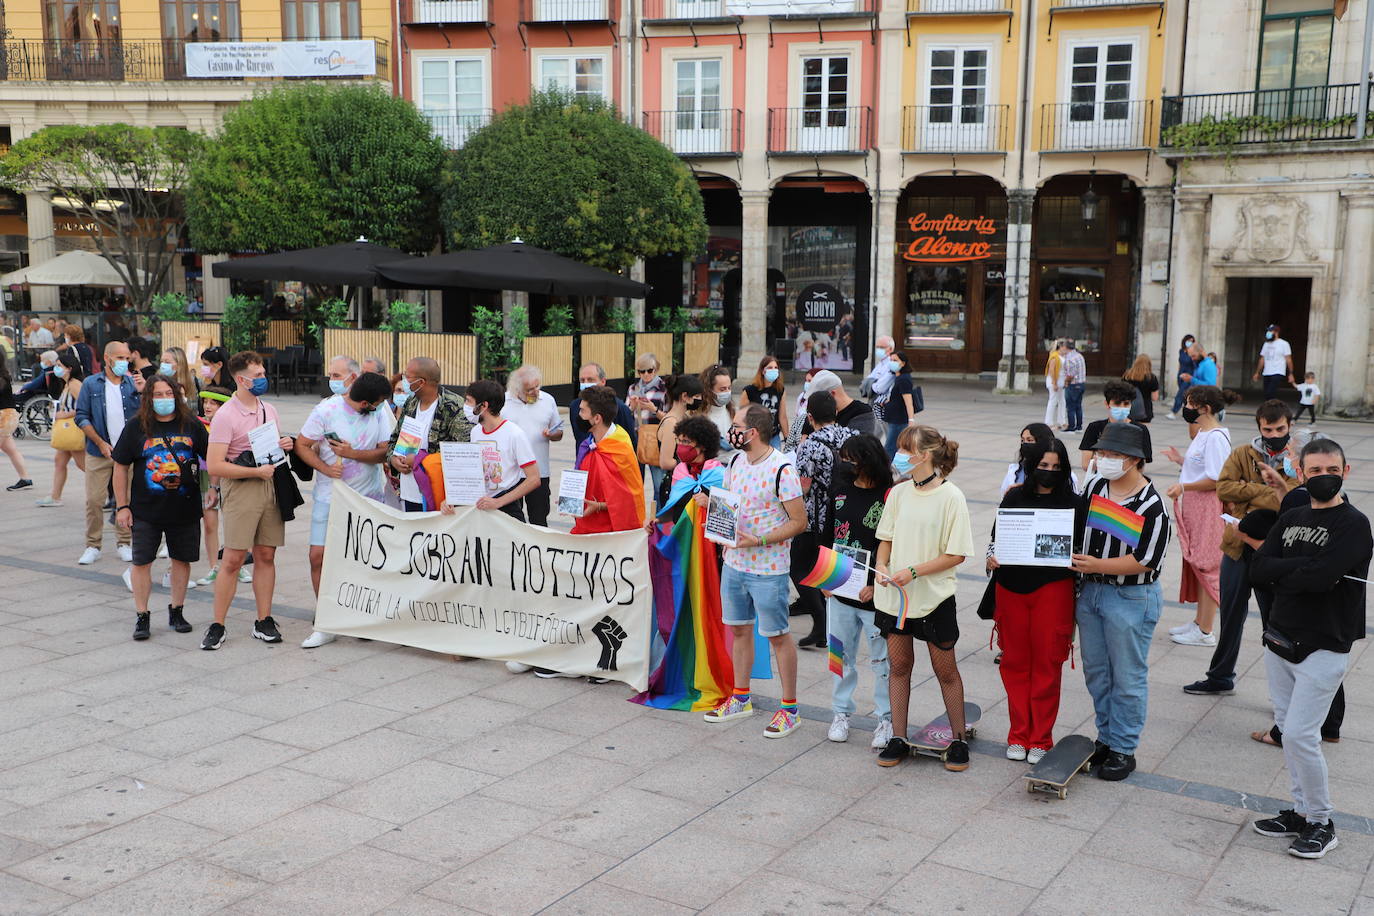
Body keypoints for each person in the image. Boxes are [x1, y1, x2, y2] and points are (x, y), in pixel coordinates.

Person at [1250, 437, 1370, 860]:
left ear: (1345, 472)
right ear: (1300, 474)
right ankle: (1300, 812)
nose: (1323, 477)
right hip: (1280, 637)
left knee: (1303, 735)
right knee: (1287, 730)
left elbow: (1320, 579)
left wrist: (1291, 571)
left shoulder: (1354, 524)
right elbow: (1259, 569)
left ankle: (1322, 821)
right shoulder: (1293, 515)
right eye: (1315, 471)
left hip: (1324, 645)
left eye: (1331, 471)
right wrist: (1303, 570)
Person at [1071, 422, 1171, 781]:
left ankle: (1124, 749)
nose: (1102, 459)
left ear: (1133, 460)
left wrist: (1098, 564)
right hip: (1091, 592)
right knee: (1098, 672)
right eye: (1101, 452)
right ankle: (1106, 738)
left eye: (1110, 454)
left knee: (1127, 676)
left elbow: (1146, 559)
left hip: (1131, 596)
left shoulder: (1152, 505)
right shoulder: (1096, 485)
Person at [702, 404, 807, 738]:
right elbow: (731, 505)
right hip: (734, 564)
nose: (730, 431)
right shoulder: (735, 461)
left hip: (769, 569)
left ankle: (790, 708)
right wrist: (716, 518)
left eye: (736, 425)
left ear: (753, 432)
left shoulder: (782, 470)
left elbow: (799, 522)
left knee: (777, 636)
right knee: (740, 631)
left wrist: (758, 539)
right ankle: (740, 697)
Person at [1183, 399, 1301, 696]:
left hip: (1273, 551)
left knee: (1274, 622)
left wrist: (1249, 495)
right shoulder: (1242, 453)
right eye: (1268, 429)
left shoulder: (1298, 460)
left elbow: (1292, 501)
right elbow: (1223, 487)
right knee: (1231, 614)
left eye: (1280, 428)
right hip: (1236, 546)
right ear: (1259, 428)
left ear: (1289, 427)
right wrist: (1268, 491)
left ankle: (1284, 689)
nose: (1274, 434)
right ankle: (1220, 676)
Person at [873, 425, 974, 769]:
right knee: (898, 667)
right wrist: (883, 564)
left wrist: (913, 571)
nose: (899, 454)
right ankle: (898, 736)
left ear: (926, 455)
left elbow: (956, 554)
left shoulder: (951, 497)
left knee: (945, 670)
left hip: (933, 597)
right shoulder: (899, 493)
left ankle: (959, 738)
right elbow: (885, 537)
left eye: (906, 448)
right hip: (896, 597)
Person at [989, 437, 1083, 763]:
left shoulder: (1075, 502)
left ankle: (1040, 738)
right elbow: (994, 539)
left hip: (1053, 590)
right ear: (1032, 465)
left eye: (1056, 467)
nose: (1049, 472)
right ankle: (1018, 735)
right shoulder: (1013, 496)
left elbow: (1084, 548)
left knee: (1047, 663)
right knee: (1015, 663)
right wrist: (991, 557)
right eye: (1044, 465)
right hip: (1011, 589)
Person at [202, 351, 296, 651]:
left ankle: (263, 619)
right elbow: (215, 465)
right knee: (232, 558)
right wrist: (253, 471)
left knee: (266, 554)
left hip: (270, 484)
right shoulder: (226, 415)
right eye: (257, 375)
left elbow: (273, 445)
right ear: (240, 379)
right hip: (242, 488)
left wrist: (286, 444)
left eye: (262, 373)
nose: (263, 379)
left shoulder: (268, 409)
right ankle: (218, 623)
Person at [296, 369, 395, 648]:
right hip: (330, 497)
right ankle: (326, 620)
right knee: (319, 556)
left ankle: (363, 616)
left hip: (369, 498)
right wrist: (325, 468)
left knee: (366, 560)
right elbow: (302, 445)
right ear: (365, 402)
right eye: (376, 404)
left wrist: (351, 454)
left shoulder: (380, 412)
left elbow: (386, 450)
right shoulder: (325, 410)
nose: (378, 408)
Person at [112, 376, 208, 641]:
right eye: (158, 394)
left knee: (181, 560)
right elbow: (120, 466)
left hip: (185, 509)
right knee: (142, 562)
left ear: (176, 396)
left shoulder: (192, 426)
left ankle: (177, 611)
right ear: (148, 398)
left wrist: (213, 489)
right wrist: (122, 506)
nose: (164, 399)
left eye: (168, 394)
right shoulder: (136, 427)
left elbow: (211, 457)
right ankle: (142, 615)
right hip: (145, 511)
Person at [822, 433, 893, 749]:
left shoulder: (890, 497)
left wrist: (876, 588)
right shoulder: (839, 493)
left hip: (875, 598)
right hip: (839, 593)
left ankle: (886, 718)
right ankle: (840, 713)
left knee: (883, 662)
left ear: (868, 460)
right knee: (840, 657)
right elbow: (826, 539)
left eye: (851, 459)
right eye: (844, 458)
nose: (845, 464)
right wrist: (824, 579)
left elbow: (893, 548)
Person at [1161, 386, 1238, 648]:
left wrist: (1184, 487)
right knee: (1198, 561)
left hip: (1206, 505)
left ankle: (1205, 630)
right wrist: (1180, 461)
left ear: (1205, 409)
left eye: (1190, 403)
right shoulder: (1204, 433)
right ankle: (1198, 622)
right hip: (1196, 504)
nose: (1187, 407)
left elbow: (1216, 479)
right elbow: (1202, 468)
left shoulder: (1215, 436)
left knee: (1206, 563)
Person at [794, 390, 856, 648]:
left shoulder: (809, 445)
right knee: (833, 572)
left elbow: (804, 486)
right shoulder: (852, 437)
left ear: (810, 417)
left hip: (816, 517)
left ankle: (821, 620)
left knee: (798, 567)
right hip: (844, 515)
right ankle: (833, 628)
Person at [74, 340, 143, 563]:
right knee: (94, 500)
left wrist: (143, 391)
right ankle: (93, 545)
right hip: (98, 451)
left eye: (127, 359)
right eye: (120, 358)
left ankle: (124, 542)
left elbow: (145, 415)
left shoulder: (132, 384)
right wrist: (100, 443)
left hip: (127, 453)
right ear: (107, 358)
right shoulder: (91, 384)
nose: (124, 362)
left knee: (127, 499)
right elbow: (81, 416)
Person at [442, 379, 540, 521]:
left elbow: (534, 479)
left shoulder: (514, 434)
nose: (465, 406)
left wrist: (498, 502)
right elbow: (472, 472)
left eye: (469, 401)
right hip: (479, 506)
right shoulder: (475, 432)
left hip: (506, 508)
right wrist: (453, 499)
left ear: (484, 406)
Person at [386, 357, 472, 512]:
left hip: (439, 497)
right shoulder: (410, 403)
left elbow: (462, 454)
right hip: (409, 492)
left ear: (421, 382)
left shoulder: (453, 407)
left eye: (408, 377)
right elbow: (395, 438)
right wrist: (393, 459)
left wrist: (419, 460)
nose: (404, 381)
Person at [569, 385, 645, 535]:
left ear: (597, 418)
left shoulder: (620, 449)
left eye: (582, 411)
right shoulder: (588, 444)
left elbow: (630, 500)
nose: (578, 415)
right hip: (585, 526)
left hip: (611, 532)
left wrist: (599, 506)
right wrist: (569, 500)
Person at [504, 365, 563, 527]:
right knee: (512, 521)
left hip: (540, 472)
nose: (536, 391)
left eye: (537, 386)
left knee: (539, 519)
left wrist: (553, 434)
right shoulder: (504, 402)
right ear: (517, 390)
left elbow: (560, 432)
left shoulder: (548, 400)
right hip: (512, 474)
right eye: (529, 389)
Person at [36, 350, 87, 506]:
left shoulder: (74, 384)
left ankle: (108, 493)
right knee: (59, 462)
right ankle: (55, 496)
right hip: (68, 431)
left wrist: (63, 415)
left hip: (73, 430)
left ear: (69, 368)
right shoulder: (68, 384)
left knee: (84, 465)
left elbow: (84, 407)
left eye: (59, 366)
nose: (56, 368)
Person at [651, 415, 722, 527]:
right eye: (678, 440)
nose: (680, 446)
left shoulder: (719, 475)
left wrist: (710, 504)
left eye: (685, 441)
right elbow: (674, 508)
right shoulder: (680, 471)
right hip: (683, 537)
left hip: (707, 541)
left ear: (703, 445)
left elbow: (729, 516)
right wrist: (657, 522)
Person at [194, 387, 232, 587]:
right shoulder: (198, 424)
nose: (207, 406)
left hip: (230, 475)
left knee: (233, 522)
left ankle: (235, 563)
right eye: (205, 402)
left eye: (213, 403)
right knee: (210, 523)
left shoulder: (232, 423)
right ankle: (214, 566)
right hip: (205, 476)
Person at [1079, 380, 1153, 471]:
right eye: (1117, 403)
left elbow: (1140, 467)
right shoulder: (1095, 428)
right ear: (1107, 404)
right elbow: (1086, 465)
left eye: (1126, 404)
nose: (1122, 407)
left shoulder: (1140, 430)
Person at [653, 374, 704, 504]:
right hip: (675, 485)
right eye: (697, 396)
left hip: (686, 481)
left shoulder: (684, 418)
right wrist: (690, 464)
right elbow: (665, 462)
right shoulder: (671, 423)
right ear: (685, 396)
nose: (700, 399)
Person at [628, 353, 669, 493]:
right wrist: (632, 407)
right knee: (635, 485)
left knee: (659, 486)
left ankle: (659, 514)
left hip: (657, 439)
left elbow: (671, 419)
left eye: (649, 370)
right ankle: (638, 515)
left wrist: (654, 409)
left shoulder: (664, 389)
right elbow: (627, 415)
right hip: (637, 438)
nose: (645, 374)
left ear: (656, 369)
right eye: (641, 371)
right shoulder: (633, 388)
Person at [569, 363, 636, 447]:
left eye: (590, 380)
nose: (585, 383)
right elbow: (579, 438)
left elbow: (630, 442)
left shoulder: (619, 408)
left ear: (603, 381)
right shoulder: (575, 407)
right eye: (582, 380)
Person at [808, 369, 879, 438]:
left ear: (832, 394)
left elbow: (859, 446)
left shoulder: (863, 413)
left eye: (818, 399)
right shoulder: (823, 412)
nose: (817, 403)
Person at [741, 355, 789, 447]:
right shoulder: (749, 390)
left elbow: (782, 416)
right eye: (770, 367)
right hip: (755, 436)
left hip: (773, 436)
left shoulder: (780, 390)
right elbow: (742, 416)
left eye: (776, 368)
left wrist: (787, 438)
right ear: (763, 371)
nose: (773, 370)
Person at [0, 361, 33, 491]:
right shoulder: (5, 376)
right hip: (9, 416)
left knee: (12, 450)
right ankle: (25, 479)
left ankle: (25, 479)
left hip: (3, 417)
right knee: (11, 450)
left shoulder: (1, 378)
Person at [880, 350, 918, 460]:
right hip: (893, 418)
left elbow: (908, 401)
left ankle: (888, 470)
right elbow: (897, 397)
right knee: (893, 446)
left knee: (890, 447)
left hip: (899, 420)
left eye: (895, 360)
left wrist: (911, 420)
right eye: (891, 360)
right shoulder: (898, 377)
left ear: (903, 363)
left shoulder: (904, 379)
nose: (892, 363)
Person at [700, 363, 735, 457]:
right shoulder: (701, 416)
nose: (727, 392)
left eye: (729, 388)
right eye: (722, 389)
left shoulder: (732, 412)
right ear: (709, 390)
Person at [1253, 323, 1295, 400]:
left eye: (1270, 331)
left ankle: (1273, 408)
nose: (1268, 333)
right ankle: (1269, 408)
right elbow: (1262, 359)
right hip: (1267, 372)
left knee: (1270, 392)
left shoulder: (1284, 344)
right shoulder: (1266, 344)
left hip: (1278, 371)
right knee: (1266, 394)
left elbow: (1288, 359)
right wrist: (1257, 372)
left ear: (1276, 332)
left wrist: (1291, 373)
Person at [1167, 333, 1198, 419]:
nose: (1190, 342)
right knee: (1185, 394)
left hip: (1188, 374)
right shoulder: (1181, 351)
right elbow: (1180, 362)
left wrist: (1193, 377)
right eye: (1188, 341)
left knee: (1180, 393)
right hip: (1180, 374)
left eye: (1192, 341)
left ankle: (1174, 411)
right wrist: (1178, 373)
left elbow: (1194, 365)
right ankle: (1187, 411)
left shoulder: (1192, 353)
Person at [860, 334, 897, 405]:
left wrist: (871, 384)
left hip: (883, 402)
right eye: (877, 347)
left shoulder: (891, 365)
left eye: (882, 347)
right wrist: (872, 383)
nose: (879, 349)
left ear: (891, 349)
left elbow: (879, 388)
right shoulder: (880, 363)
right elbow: (865, 381)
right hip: (874, 401)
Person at [1123, 354, 1159, 423]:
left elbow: (1122, 392)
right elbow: (1155, 397)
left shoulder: (1127, 376)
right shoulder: (1151, 378)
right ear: (1149, 364)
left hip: (1128, 409)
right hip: (1145, 410)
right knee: (1142, 432)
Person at [1062, 340, 1087, 432]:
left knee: (1070, 407)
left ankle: (1071, 427)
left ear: (1065, 347)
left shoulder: (1069, 358)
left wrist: (1066, 382)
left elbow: (1070, 374)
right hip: (1081, 384)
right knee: (1078, 406)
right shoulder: (1079, 356)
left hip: (1073, 385)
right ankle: (1079, 426)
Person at [1044, 339, 1067, 430]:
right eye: (1064, 346)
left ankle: (1062, 421)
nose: (1066, 348)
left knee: (1062, 401)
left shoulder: (1061, 356)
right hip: (1054, 381)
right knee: (1053, 401)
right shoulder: (1054, 356)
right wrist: (1054, 383)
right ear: (1060, 347)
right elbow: (1051, 370)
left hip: (1061, 381)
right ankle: (1048, 422)